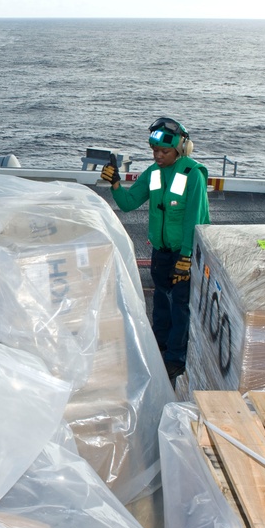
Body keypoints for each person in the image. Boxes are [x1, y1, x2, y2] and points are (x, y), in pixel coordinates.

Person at [100, 117, 210, 385]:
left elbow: (193, 219)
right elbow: (128, 203)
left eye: (164, 151)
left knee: (180, 308)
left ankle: (175, 359)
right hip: (160, 252)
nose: (158, 156)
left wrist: (186, 257)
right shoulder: (153, 173)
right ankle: (159, 347)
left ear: (181, 149)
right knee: (161, 302)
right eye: (155, 151)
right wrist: (115, 183)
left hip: (184, 254)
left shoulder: (191, 174)